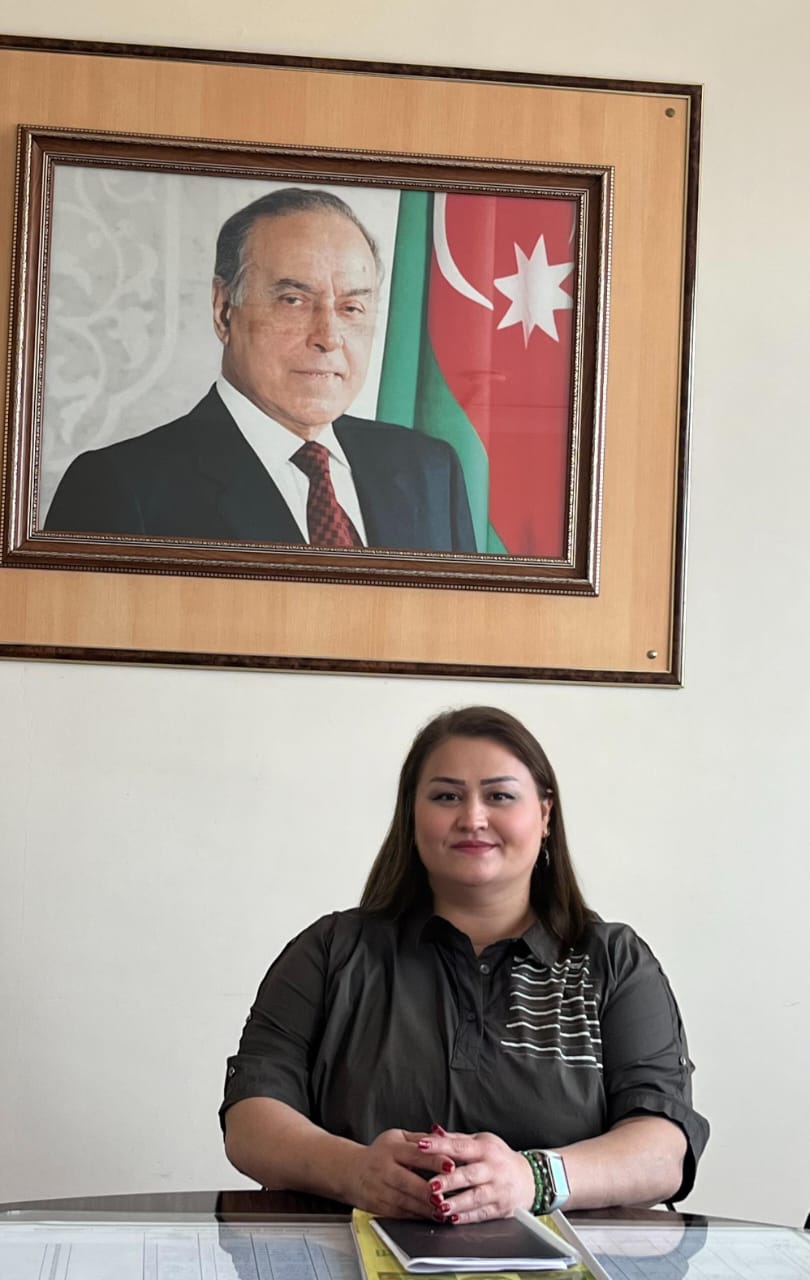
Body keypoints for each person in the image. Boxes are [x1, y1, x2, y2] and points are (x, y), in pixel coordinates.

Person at [220, 706, 709, 1223]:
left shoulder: (615, 962)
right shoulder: (331, 950)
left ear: (545, 814)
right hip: (346, 1253)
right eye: (446, 797)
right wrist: (354, 1171)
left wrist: (531, 1179)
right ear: (411, 815)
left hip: (564, 1259)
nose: (473, 818)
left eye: (500, 796)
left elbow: (663, 1150)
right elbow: (251, 1119)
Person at [44, 187, 476, 553]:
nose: (328, 336)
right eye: (293, 301)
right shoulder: (120, 490)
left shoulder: (430, 470)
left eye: (351, 307)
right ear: (224, 310)